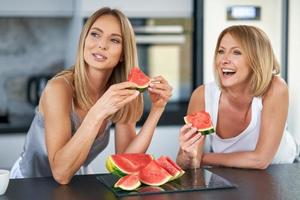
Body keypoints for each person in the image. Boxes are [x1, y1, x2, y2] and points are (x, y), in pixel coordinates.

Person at [10, 7, 172, 184]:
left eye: (114, 40)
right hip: (27, 184)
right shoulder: (58, 89)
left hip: (74, 185)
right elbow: (60, 173)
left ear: (123, 55)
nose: (102, 44)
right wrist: (98, 111)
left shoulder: (121, 91)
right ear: (84, 39)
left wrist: (157, 109)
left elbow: (127, 158)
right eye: (95, 34)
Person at [177, 25, 298, 170]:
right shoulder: (202, 95)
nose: (224, 60)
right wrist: (188, 155)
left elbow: (260, 160)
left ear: (256, 60)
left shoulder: (275, 88)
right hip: (231, 171)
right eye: (221, 51)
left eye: (236, 52)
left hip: (283, 170)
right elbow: (184, 162)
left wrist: (203, 157)